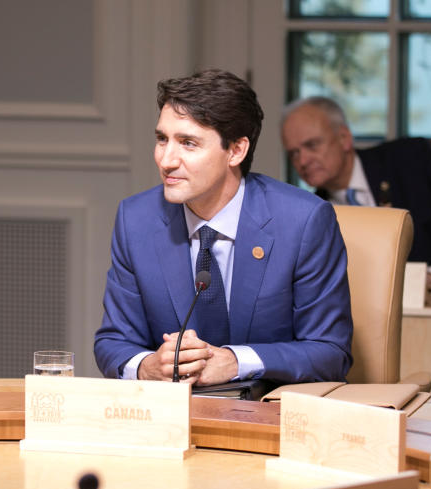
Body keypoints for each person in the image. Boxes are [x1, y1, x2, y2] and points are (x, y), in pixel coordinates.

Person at [94, 70, 352, 386]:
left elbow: (330, 352)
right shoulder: (136, 219)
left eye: (188, 143)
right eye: (162, 139)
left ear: (236, 151)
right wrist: (146, 365)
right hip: (170, 418)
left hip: (268, 418)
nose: (166, 160)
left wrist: (234, 362)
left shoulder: (303, 221)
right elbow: (113, 341)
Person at [281, 96, 431, 278]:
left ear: (344, 138)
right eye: (294, 153)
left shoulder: (412, 158)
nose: (302, 161)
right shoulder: (311, 214)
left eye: (312, 145)